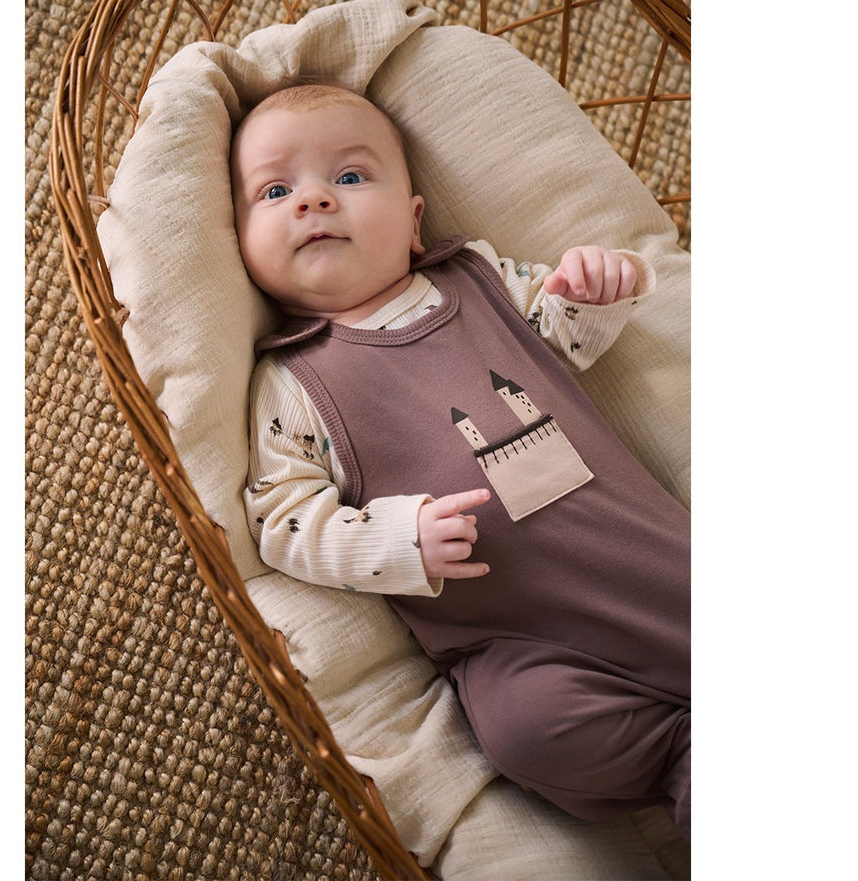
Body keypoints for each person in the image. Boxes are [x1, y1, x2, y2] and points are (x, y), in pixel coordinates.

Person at [231, 83, 691, 838]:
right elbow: (282, 521)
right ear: (242, 243)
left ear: (415, 222)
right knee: (523, 731)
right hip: (518, 644)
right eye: (275, 192)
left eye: (350, 176)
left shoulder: (477, 279)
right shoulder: (292, 380)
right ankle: (680, 759)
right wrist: (394, 540)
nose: (313, 200)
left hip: (632, 554)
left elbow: (563, 334)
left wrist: (597, 290)